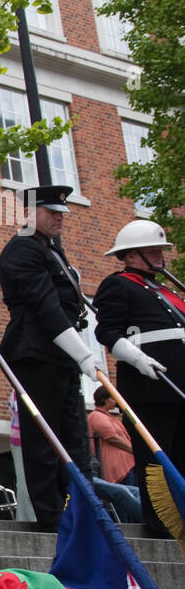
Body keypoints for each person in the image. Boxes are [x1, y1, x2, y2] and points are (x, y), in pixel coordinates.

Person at [0, 184, 93, 532]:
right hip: (36, 353)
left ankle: (78, 507)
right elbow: (46, 308)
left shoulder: (49, 249)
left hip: (59, 355)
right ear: (26, 214)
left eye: (61, 212)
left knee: (73, 439)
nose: (59, 218)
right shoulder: (22, 250)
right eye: (51, 211)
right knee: (44, 440)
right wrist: (83, 353)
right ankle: (50, 515)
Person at [93, 219, 185, 537]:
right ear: (131, 255)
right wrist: (137, 358)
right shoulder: (118, 285)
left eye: (160, 250)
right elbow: (108, 331)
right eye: (152, 250)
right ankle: (162, 522)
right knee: (156, 456)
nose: (160, 256)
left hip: (179, 386)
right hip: (149, 387)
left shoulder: (163, 290)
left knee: (181, 453)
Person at [86, 384, 144, 523]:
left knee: (134, 492)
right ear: (104, 399)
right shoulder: (96, 416)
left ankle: (135, 521)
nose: (115, 401)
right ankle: (128, 523)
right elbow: (112, 437)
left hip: (128, 463)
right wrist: (134, 451)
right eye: (113, 398)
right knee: (123, 495)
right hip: (116, 465)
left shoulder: (111, 416)